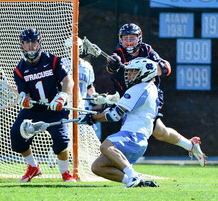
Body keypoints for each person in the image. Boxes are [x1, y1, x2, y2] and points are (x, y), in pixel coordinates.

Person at [106, 23, 206, 166]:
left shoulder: (147, 50)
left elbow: (166, 67)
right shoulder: (118, 53)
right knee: (160, 132)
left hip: (148, 96)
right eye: (125, 38)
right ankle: (190, 145)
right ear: (120, 39)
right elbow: (110, 66)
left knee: (134, 124)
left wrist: (152, 67)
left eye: (132, 38)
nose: (128, 41)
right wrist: (113, 64)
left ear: (139, 38)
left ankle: (123, 165)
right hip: (129, 95)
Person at [76, 58, 160, 187]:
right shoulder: (150, 88)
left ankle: (133, 176)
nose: (129, 74)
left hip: (133, 135)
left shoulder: (140, 88)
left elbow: (114, 115)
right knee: (97, 167)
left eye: (134, 71)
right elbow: (122, 111)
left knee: (105, 146)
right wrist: (109, 101)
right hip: (139, 139)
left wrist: (91, 118)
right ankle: (136, 182)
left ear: (145, 73)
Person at [10, 28, 76, 182]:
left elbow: (68, 81)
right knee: (16, 135)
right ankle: (33, 167)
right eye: (27, 42)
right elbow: (23, 92)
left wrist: (62, 97)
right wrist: (23, 98)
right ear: (22, 45)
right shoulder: (19, 69)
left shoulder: (53, 60)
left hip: (55, 108)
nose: (31, 45)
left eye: (34, 41)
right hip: (33, 110)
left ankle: (66, 174)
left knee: (61, 141)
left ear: (39, 42)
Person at [64, 36, 105, 140]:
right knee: (65, 139)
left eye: (75, 48)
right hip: (66, 107)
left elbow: (89, 87)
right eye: (70, 48)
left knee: (86, 139)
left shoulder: (87, 66)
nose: (72, 51)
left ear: (80, 49)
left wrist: (95, 97)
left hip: (83, 108)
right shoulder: (62, 64)